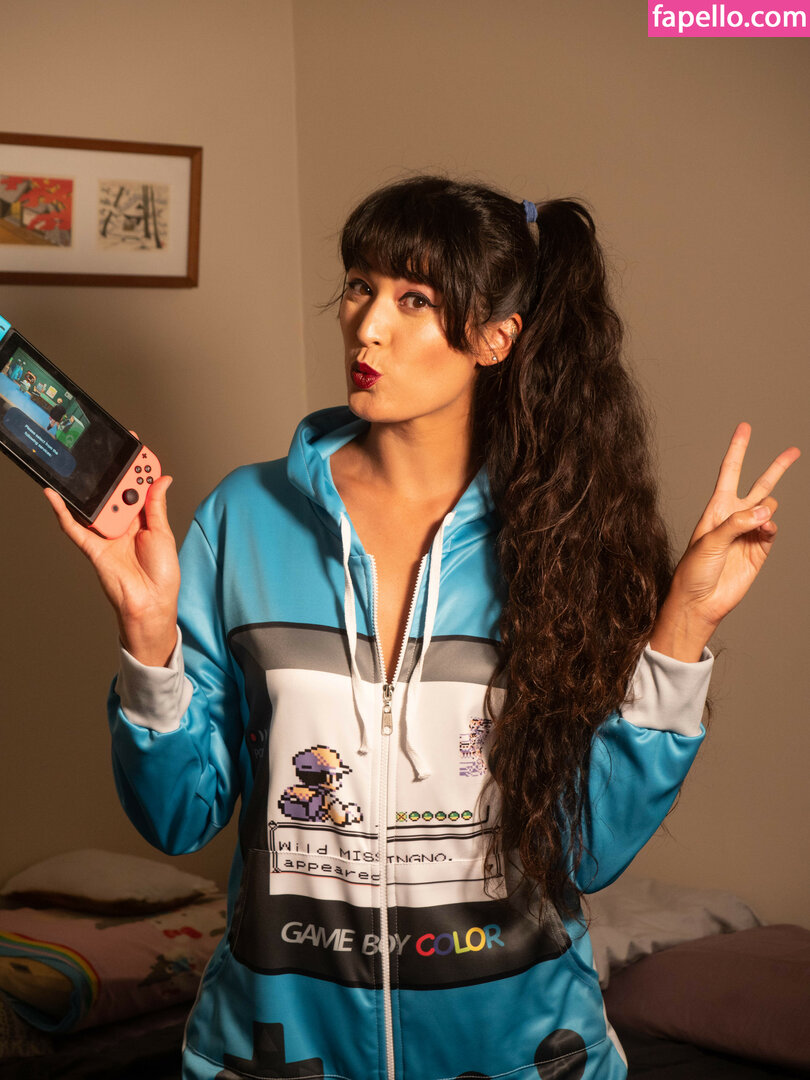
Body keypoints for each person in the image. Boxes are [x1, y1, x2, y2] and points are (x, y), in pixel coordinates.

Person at [46, 176, 799, 1080]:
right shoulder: (243, 518)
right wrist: (147, 637)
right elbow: (177, 818)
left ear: (496, 337)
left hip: (520, 1057)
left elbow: (589, 850)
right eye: (359, 286)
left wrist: (682, 625)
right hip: (276, 1058)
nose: (367, 326)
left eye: (415, 300)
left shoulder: (566, 540)